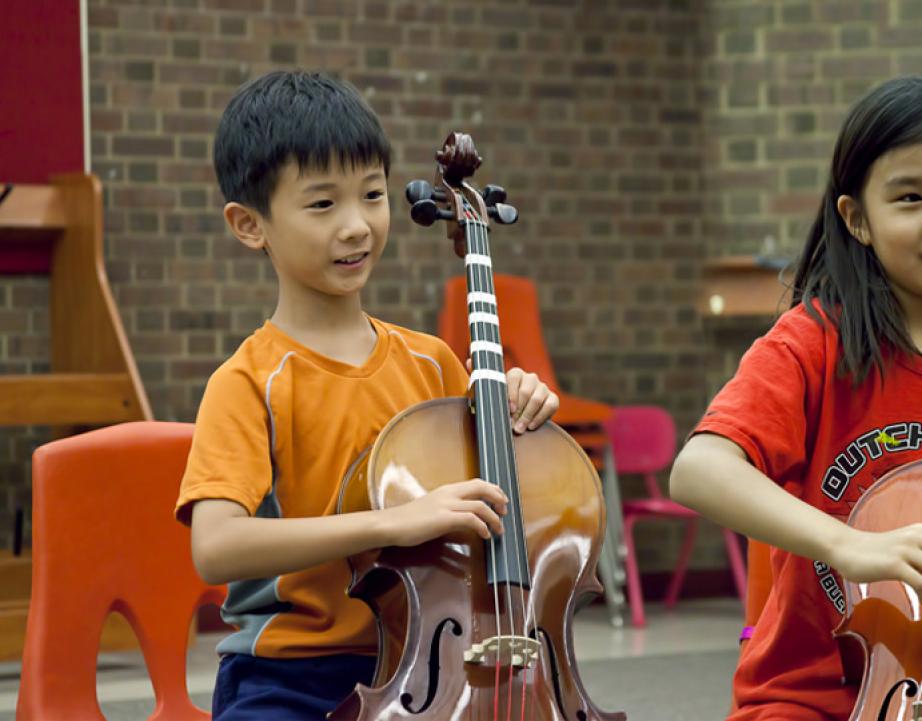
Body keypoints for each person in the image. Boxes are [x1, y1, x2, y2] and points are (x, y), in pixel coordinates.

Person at [174, 70, 559, 721]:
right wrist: (391, 523)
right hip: (289, 674)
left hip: (432, 660)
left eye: (373, 195)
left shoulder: (431, 363)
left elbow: (497, 495)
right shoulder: (247, 381)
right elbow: (217, 544)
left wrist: (515, 405)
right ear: (249, 224)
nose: (357, 226)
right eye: (323, 205)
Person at [670, 74, 922, 721]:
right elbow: (699, 470)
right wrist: (847, 544)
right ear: (857, 218)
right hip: (808, 695)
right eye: (913, 197)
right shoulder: (814, 341)